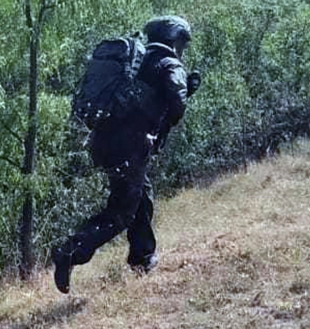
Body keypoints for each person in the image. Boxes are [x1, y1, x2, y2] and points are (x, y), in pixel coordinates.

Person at [53, 15, 202, 293]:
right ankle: (70, 251)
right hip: (131, 146)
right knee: (122, 211)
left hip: (106, 141)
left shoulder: (138, 62)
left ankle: (142, 258)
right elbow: (177, 104)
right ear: (174, 40)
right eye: (182, 43)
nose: (183, 49)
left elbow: (145, 99)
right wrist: (183, 92)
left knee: (141, 196)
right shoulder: (168, 63)